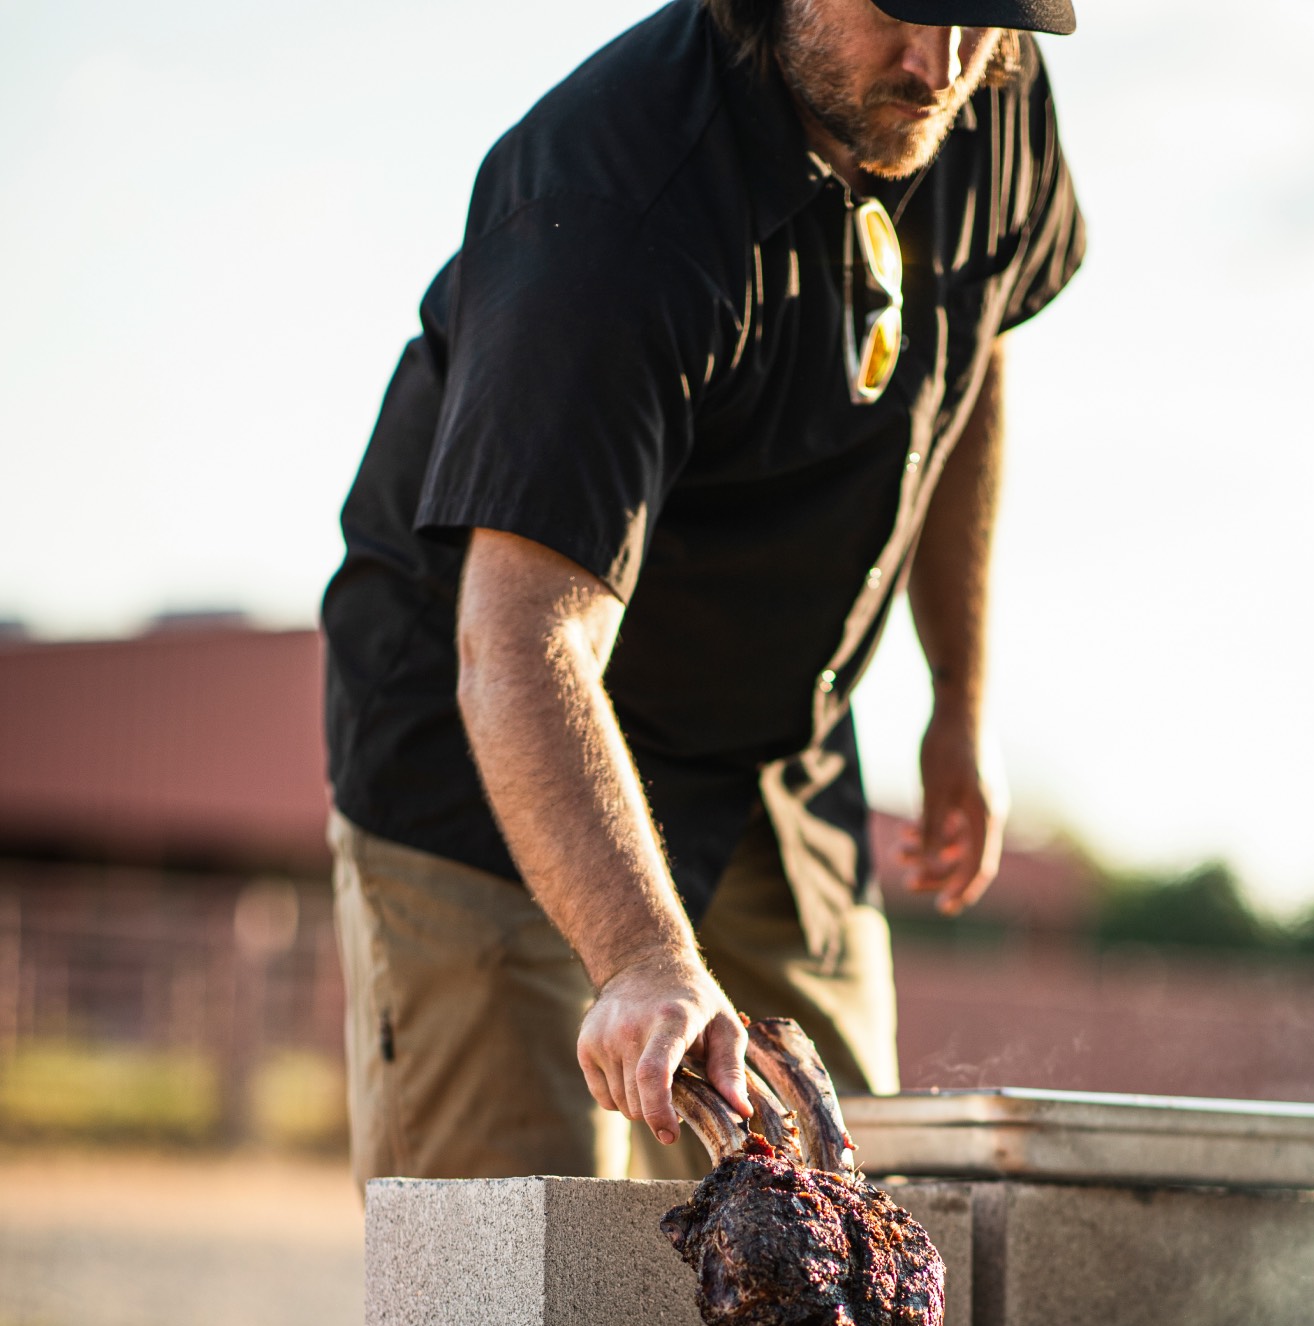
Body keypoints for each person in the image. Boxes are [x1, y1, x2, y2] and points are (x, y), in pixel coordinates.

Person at [324, 0, 1084, 1189]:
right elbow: (522, 637)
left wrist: (960, 698)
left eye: (978, 18)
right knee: (520, 1307)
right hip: (499, 751)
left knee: (843, 1243)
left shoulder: (984, 83)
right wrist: (639, 955)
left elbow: (972, 347)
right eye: (899, 5)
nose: (940, 65)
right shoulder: (612, 208)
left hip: (772, 750)